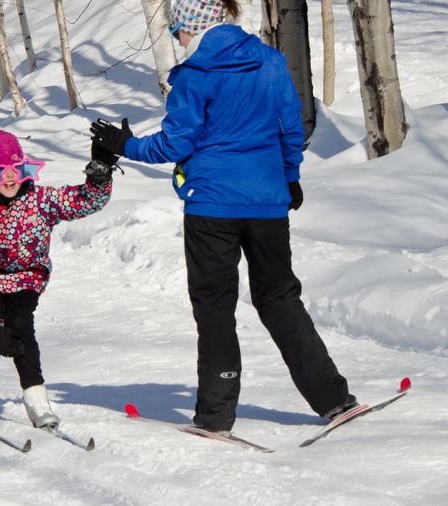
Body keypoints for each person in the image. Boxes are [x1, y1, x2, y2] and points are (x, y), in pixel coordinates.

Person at [90, 0, 356, 434]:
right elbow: (291, 127)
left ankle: (215, 417)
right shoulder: (271, 62)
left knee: (215, 307)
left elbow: (174, 145)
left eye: (178, 30)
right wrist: (289, 178)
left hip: (212, 208)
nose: (177, 39)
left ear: (194, 27)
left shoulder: (195, 75)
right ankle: (334, 399)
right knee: (279, 299)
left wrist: (126, 146)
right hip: (268, 204)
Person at [0, 130, 116, 433]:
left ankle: (37, 400)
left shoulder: (40, 201)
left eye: (15, 169)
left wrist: (99, 178)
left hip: (28, 279)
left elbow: (82, 201)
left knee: (20, 326)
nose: (10, 178)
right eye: (1, 171)